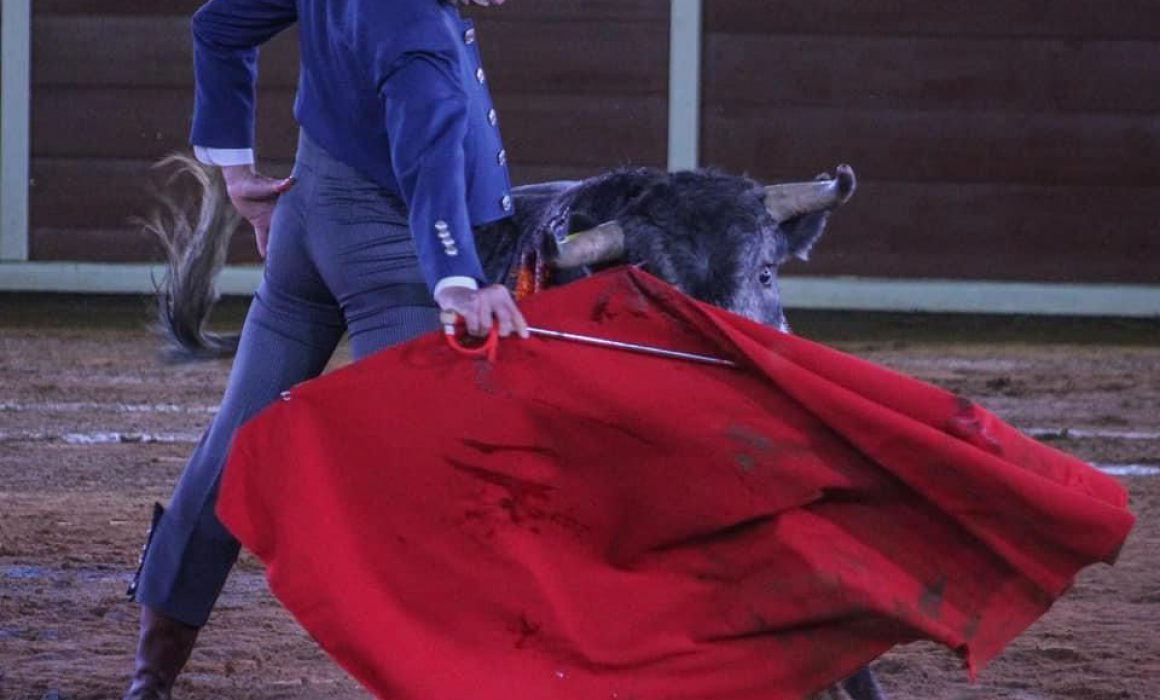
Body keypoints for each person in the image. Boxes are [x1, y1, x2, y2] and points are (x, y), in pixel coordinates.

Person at [123, 1, 527, 697]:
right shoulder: (420, 38)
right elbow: (429, 163)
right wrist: (458, 282)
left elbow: (217, 26)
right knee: (420, 487)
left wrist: (237, 176)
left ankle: (150, 676)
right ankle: (441, 677)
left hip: (307, 223)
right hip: (393, 256)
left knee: (233, 444)